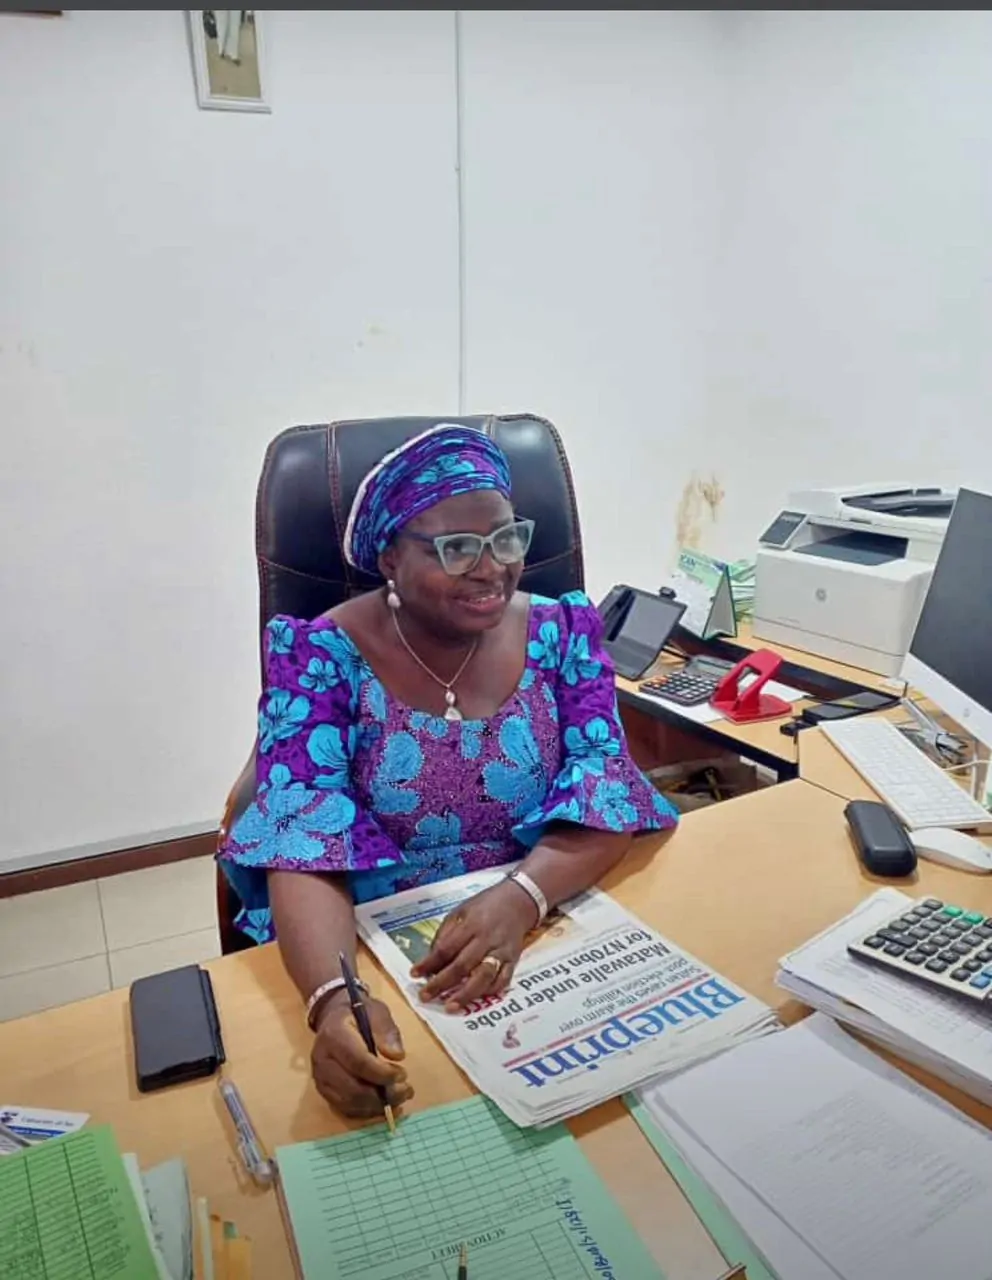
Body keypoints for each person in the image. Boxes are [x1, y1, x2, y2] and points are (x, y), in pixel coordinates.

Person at [217, 423, 678, 1119]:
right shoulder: (321, 657)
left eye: (507, 539)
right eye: (457, 548)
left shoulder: (563, 633)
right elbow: (302, 845)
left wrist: (521, 899)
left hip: (543, 919)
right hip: (375, 950)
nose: (492, 569)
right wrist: (336, 1004)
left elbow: (606, 789)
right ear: (390, 557)